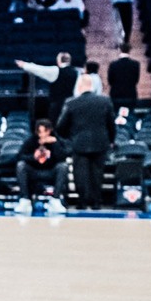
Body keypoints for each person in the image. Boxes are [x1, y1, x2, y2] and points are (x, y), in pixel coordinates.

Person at [57, 74, 116, 211]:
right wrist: (111, 140)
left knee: (80, 174)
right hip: (100, 143)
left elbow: (61, 126)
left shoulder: (71, 102)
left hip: (79, 143)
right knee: (97, 174)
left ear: (79, 86)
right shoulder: (105, 101)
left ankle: (82, 202)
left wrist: (70, 137)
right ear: (92, 86)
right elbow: (111, 124)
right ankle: (96, 202)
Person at [14, 118, 69, 213]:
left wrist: (55, 144)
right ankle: (25, 200)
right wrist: (33, 157)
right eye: (40, 132)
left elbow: (63, 157)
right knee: (21, 165)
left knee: (63, 166)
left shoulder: (56, 140)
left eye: (45, 131)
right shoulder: (31, 140)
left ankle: (55, 200)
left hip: (51, 171)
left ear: (50, 130)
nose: (43, 135)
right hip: (34, 171)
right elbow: (20, 156)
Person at [15, 51, 78, 126]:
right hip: (72, 105)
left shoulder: (56, 70)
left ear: (58, 61)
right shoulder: (76, 72)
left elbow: (40, 69)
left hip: (57, 107)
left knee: (56, 127)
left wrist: (25, 65)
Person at [108, 40, 140, 113]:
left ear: (120, 50)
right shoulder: (135, 64)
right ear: (129, 51)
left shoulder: (113, 65)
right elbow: (136, 80)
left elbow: (110, 80)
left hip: (116, 95)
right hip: (130, 94)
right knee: (130, 116)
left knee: (116, 115)